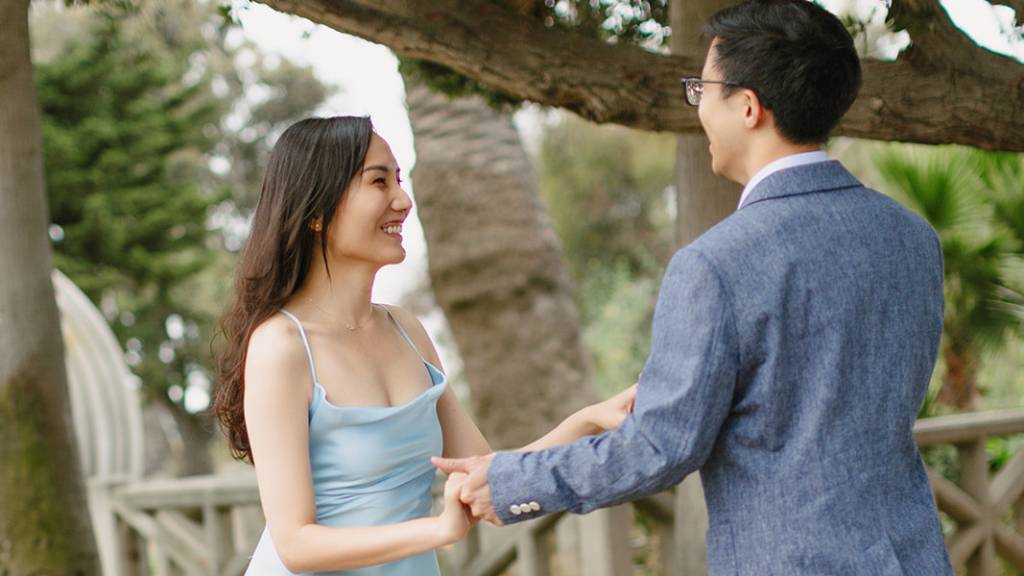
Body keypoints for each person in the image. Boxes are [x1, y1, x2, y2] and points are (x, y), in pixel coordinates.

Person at [434, 0, 953, 573]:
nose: (698, 106)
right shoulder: (912, 238)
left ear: (748, 107)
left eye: (702, 90)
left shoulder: (714, 264)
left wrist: (509, 483)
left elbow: (660, 448)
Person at [213, 116, 637, 576]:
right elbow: (295, 544)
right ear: (316, 211)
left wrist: (590, 419)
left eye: (399, 179)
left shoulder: (406, 329)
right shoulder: (281, 346)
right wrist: (437, 530)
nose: (403, 200)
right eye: (378, 181)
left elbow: (482, 472)